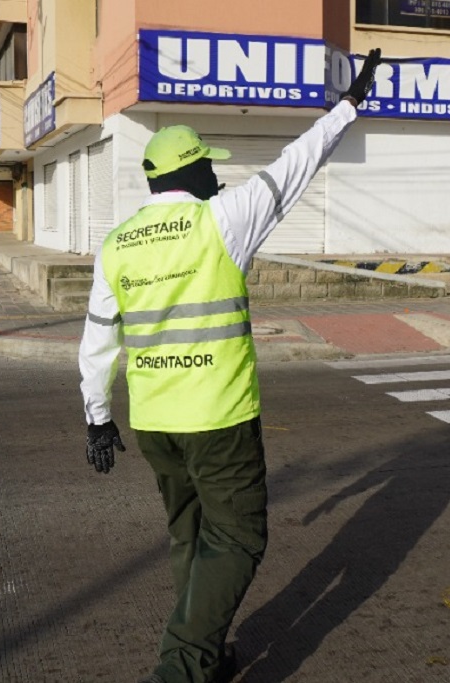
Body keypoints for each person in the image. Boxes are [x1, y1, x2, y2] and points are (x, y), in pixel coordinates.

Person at [78, 49, 383, 683]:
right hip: (218, 419)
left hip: (155, 424)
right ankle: (182, 667)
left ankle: (210, 658)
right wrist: (347, 108)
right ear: (194, 171)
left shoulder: (117, 243)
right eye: (211, 169)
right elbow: (294, 166)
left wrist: (97, 417)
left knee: (191, 536)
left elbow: (97, 340)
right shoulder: (223, 220)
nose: (220, 179)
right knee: (239, 538)